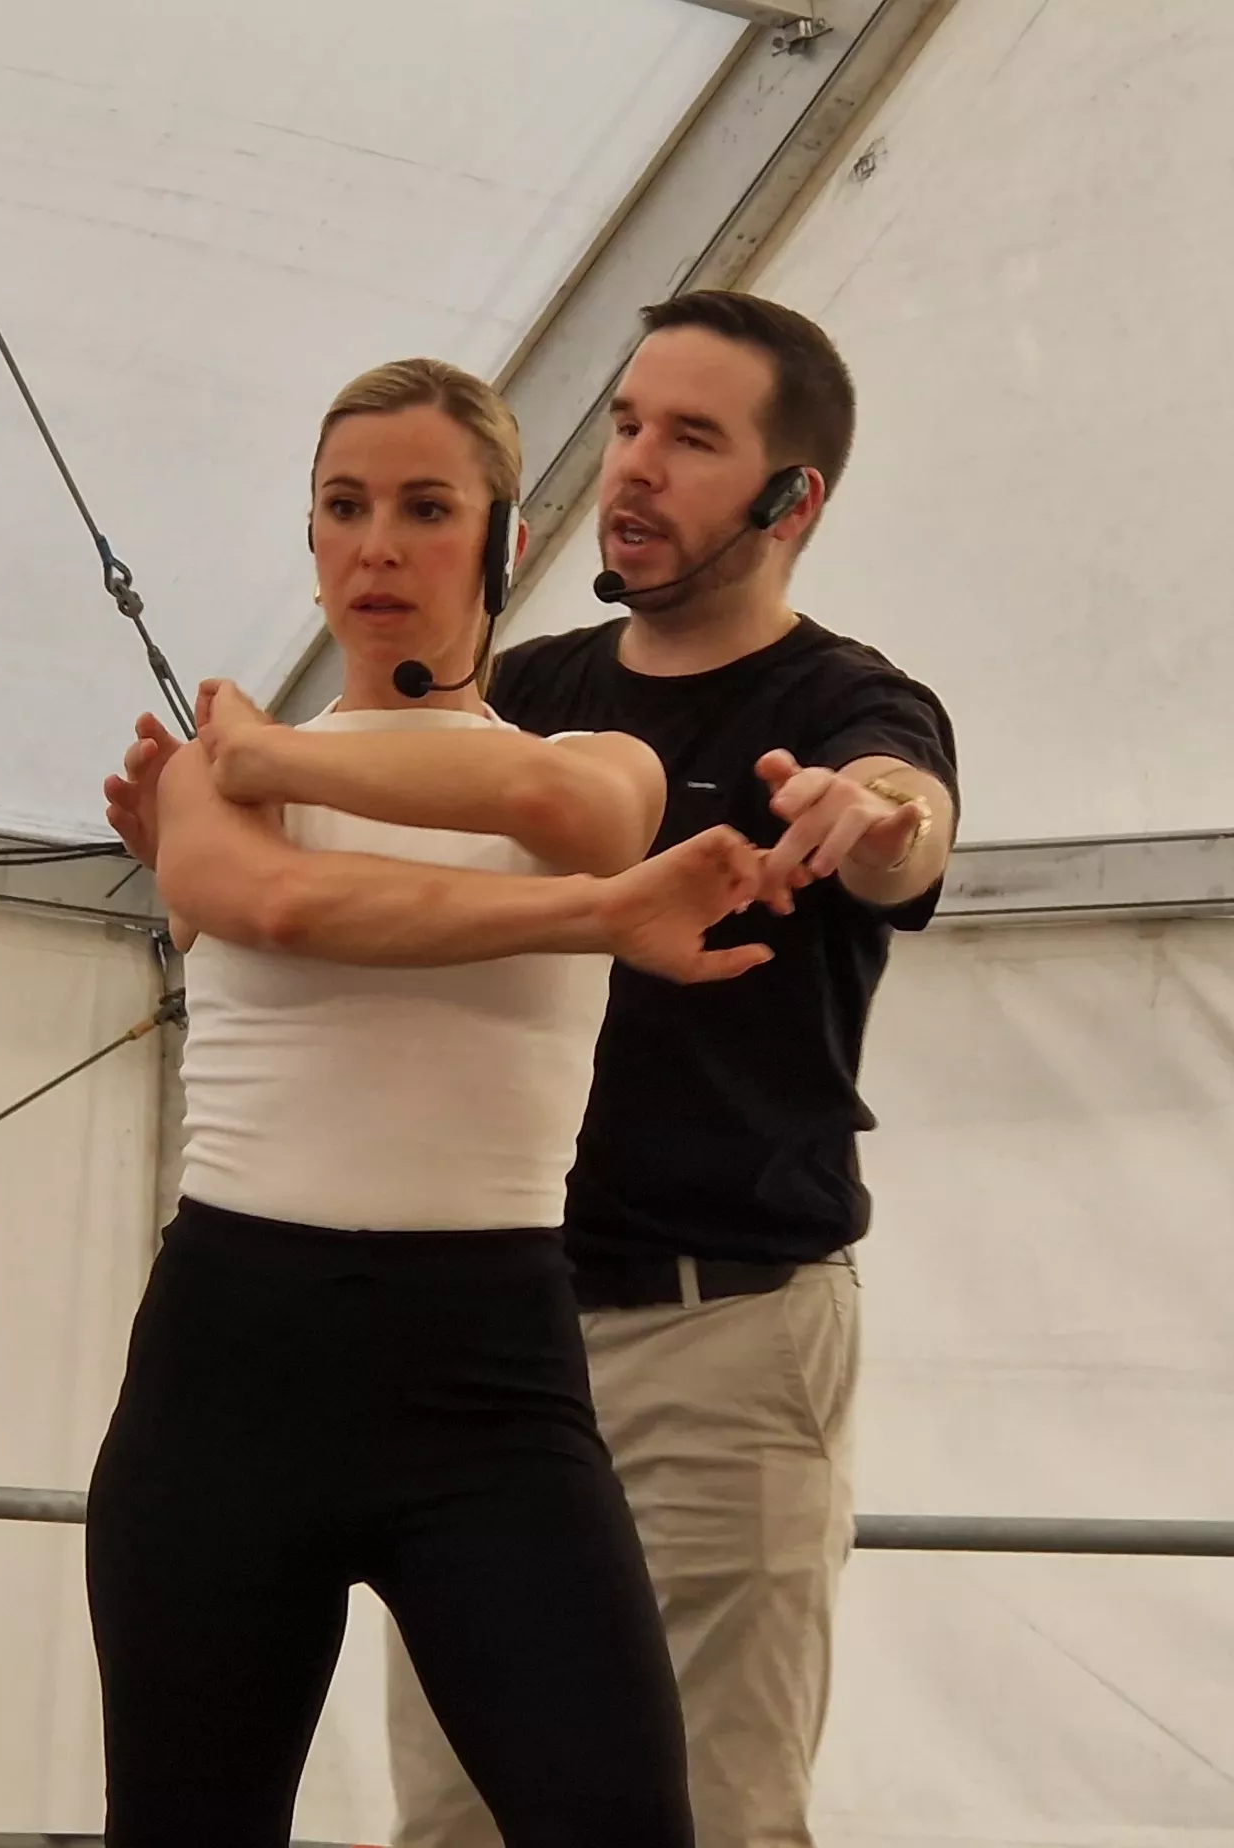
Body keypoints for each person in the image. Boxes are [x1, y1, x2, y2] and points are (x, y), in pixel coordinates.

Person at [86, 357, 771, 1848]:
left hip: (488, 1383)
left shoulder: (603, 763)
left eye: (425, 507)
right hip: (228, 1373)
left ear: (505, 544)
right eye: (345, 508)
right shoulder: (222, 784)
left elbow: (562, 817)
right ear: (311, 539)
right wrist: (594, 920)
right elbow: (275, 900)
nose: (379, 545)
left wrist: (270, 752)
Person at [385, 290, 957, 1848]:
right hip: (489, 1344)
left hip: (722, 1344)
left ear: (795, 499)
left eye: (691, 438)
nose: (632, 465)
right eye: (629, 421)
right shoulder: (530, 696)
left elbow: (905, 817)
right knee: (453, 1818)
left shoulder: (842, 710)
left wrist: (878, 813)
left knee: (708, 1818)